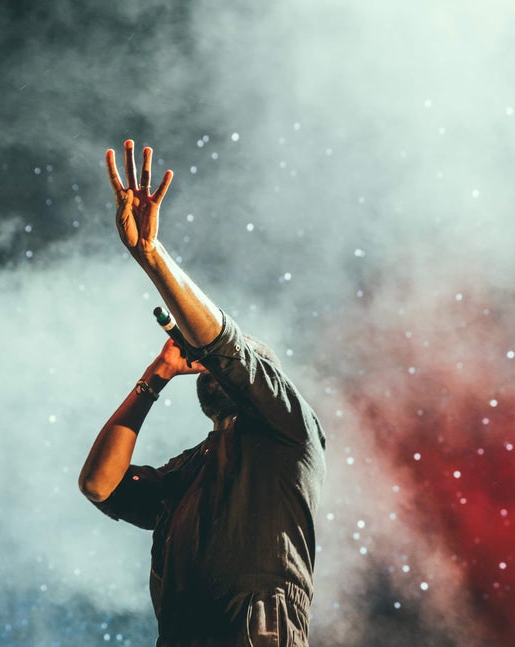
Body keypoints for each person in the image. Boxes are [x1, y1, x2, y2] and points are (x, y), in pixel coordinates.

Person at [79, 140, 326, 646]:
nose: (209, 366)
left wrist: (152, 256)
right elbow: (99, 485)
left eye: (223, 365)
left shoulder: (289, 427)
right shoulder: (188, 469)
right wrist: (156, 376)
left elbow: (226, 348)